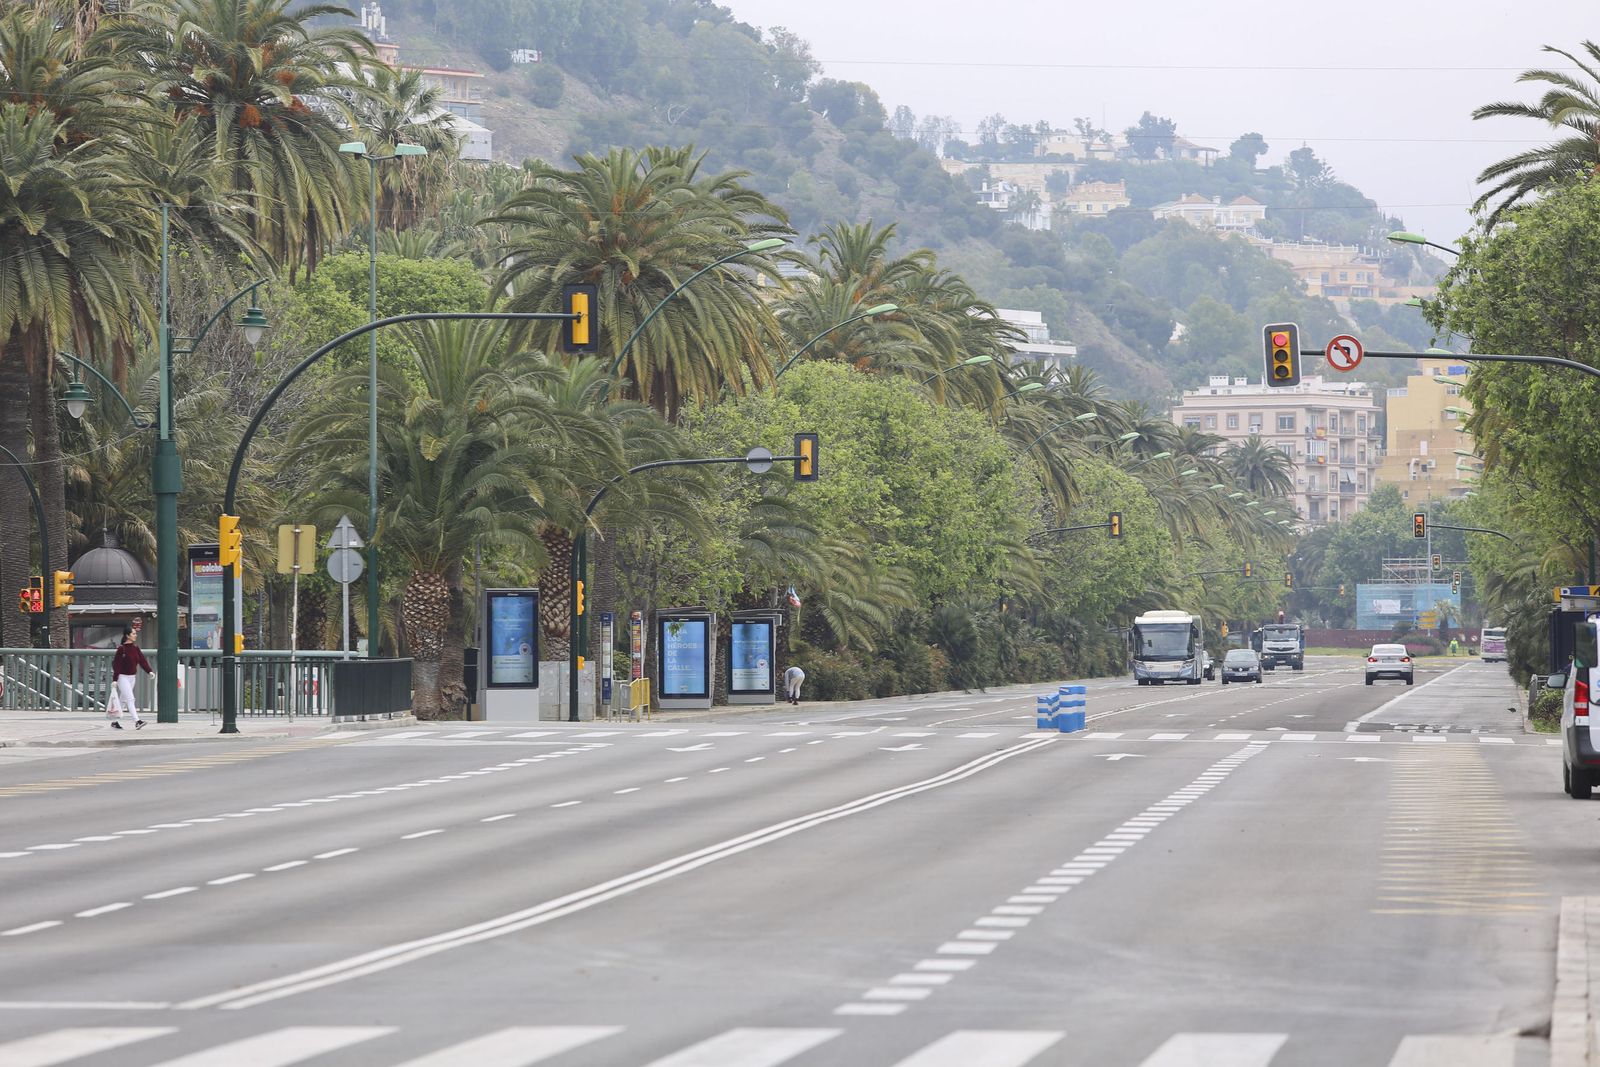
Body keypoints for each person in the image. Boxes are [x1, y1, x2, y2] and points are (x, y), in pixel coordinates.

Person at [107, 626, 151, 730]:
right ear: (128, 635)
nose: (135, 635)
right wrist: (115, 679)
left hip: (132, 677)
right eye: (133, 633)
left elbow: (142, 661)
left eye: (135, 633)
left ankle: (114, 722)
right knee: (130, 699)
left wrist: (149, 671)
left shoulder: (135, 648)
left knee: (123, 700)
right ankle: (137, 721)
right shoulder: (121, 649)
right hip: (122, 677)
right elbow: (117, 665)